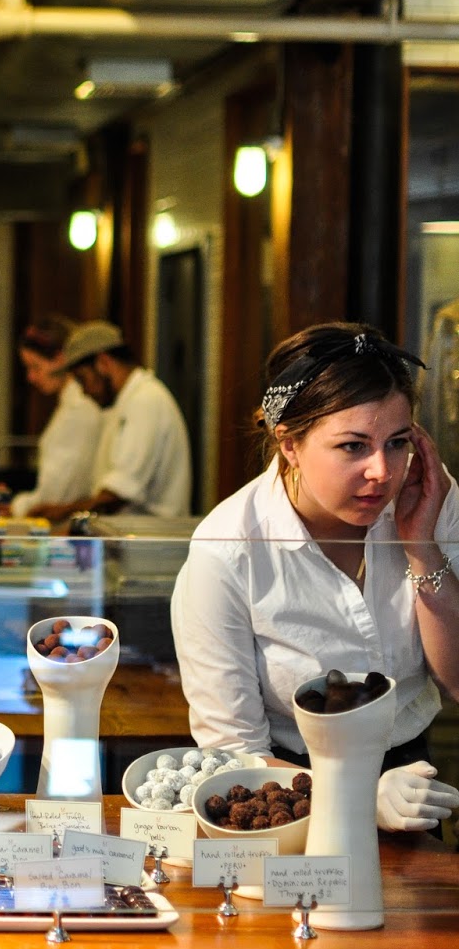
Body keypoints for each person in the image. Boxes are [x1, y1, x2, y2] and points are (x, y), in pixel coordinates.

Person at [171, 322, 459, 833]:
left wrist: (421, 548)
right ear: (290, 445)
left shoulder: (429, 498)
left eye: (397, 443)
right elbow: (233, 752)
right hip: (284, 795)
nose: (382, 471)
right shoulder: (229, 548)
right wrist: (358, 799)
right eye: (353, 446)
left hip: (411, 780)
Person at [28, 320, 192, 522]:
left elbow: (119, 493)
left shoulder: (145, 400)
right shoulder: (123, 403)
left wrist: (63, 512)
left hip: (149, 542)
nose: (84, 391)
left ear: (104, 363)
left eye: (82, 379)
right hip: (129, 536)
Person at [9, 315, 103, 518]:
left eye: (35, 366)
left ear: (60, 360)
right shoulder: (72, 403)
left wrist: (15, 507)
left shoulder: (80, 408)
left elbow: (56, 496)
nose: (30, 377)